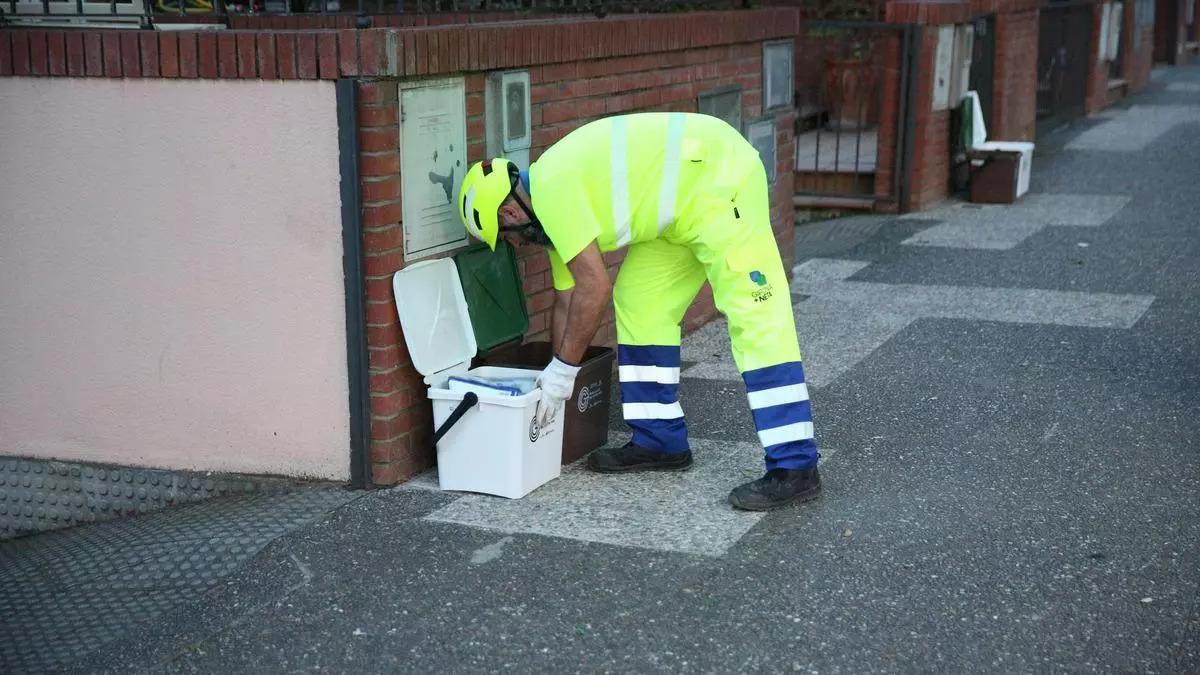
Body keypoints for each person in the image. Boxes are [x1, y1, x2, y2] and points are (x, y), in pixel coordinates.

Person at [455, 112, 820, 511]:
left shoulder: (554, 189)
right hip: (677, 215)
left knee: (756, 313)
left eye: (509, 239)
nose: (519, 246)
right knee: (639, 301)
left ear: (508, 215)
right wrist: (549, 384)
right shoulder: (546, 215)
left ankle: (794, 465)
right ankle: (659, 439)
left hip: (717, 177)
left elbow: (594, 288)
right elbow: (568, 302)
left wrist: (564, 372)